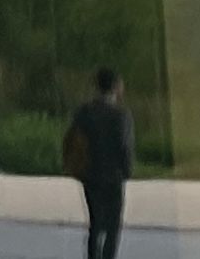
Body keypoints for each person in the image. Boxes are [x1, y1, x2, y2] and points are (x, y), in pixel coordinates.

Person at [63, 68, 134, 259]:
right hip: (113, 177)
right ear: (116, 86)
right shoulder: (121, 115)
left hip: (89, 174)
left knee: (95, 224)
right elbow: (124, 146)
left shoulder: (84, 112)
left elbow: (73, 139)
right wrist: (127, 170)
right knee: (112, 226)